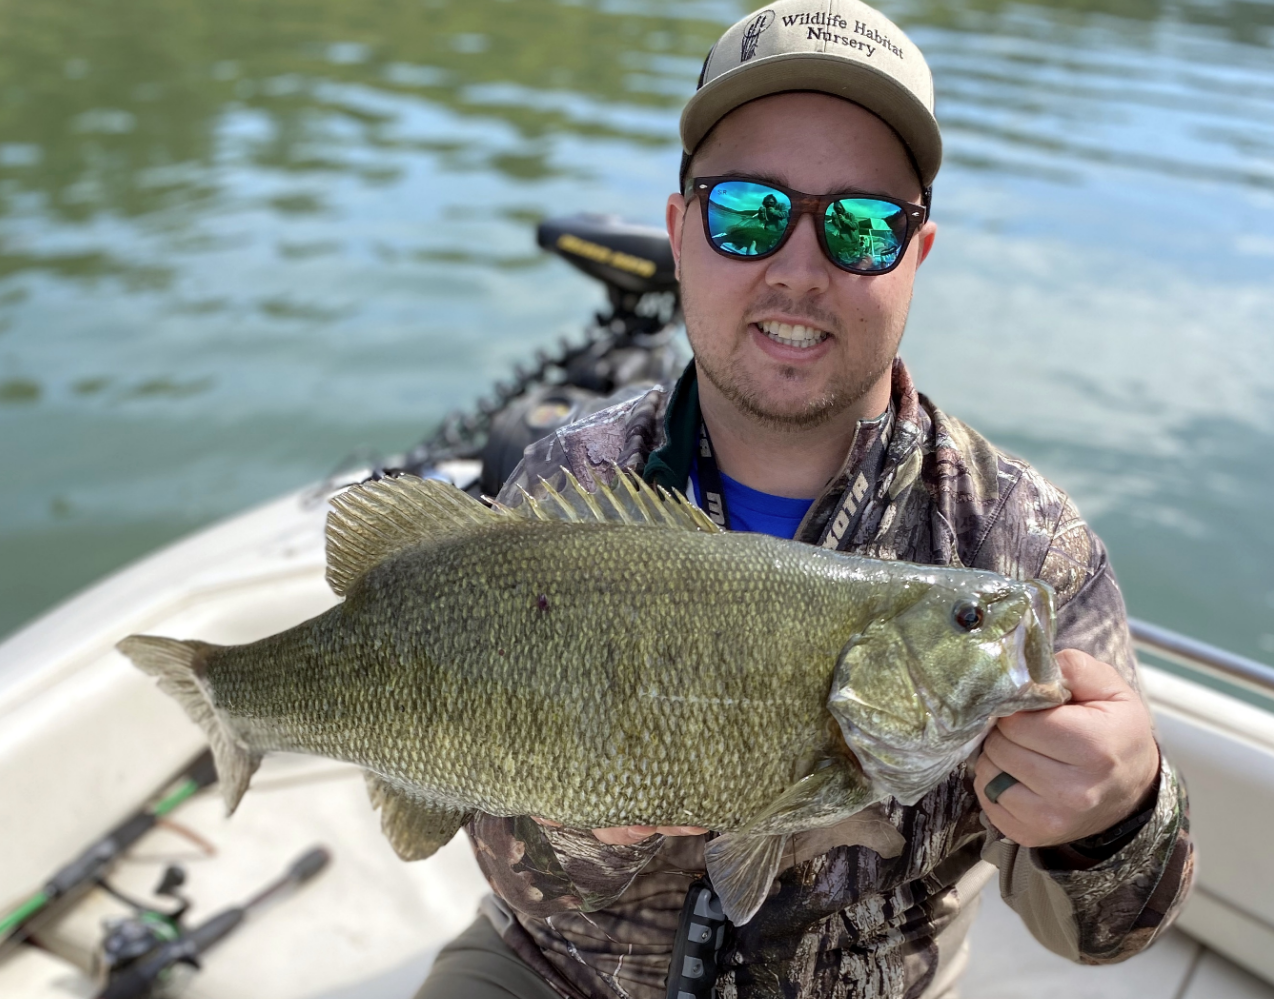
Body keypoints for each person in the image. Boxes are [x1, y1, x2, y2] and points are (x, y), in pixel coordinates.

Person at [416, 1, 1194, 996]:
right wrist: (579, 825)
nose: (796, 269)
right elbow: (505, 868)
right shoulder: (573, 482)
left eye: (861, 227)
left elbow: (1108, 937)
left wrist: (1112, 814)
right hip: (559, 972)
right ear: (679, 232)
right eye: (747, 213)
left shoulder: (1015, 550)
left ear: (914, 257)